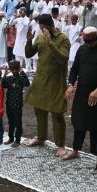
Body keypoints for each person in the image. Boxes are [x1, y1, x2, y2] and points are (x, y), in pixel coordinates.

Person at [64, 26, 97, 160]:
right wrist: (71, 84)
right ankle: (75, 150)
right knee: (79, 122)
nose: (88, 44)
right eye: (86, 42)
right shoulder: (82, 49)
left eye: (90, 42)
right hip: (82, 93)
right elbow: (74, 70)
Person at [25, 14, 70, 157]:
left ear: (48, 25)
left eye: (42, 26)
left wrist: (51, 43)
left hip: (56, 82)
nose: (40, 29)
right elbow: (28, 54)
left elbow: (63, 59)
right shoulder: (39, 37)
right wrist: (28, 40)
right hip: (40, 79)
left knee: (57, 114)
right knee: (39, 110)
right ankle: (41, 137)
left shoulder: (63, 38)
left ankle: (61, 145)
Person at [1, 60, 30, 147]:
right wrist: (5, 74)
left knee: (18, 122)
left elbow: (27, 84)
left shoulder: (21, 78)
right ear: (10, 69)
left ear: (19, 69)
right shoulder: (9, 78)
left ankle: (17, 140)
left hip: (17, 105)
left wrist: (22, 72)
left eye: (16, 69)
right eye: (12, 69)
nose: (14, 71)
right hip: (9, 103)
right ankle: (11, 138)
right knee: (11, 122)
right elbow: (3, 85)